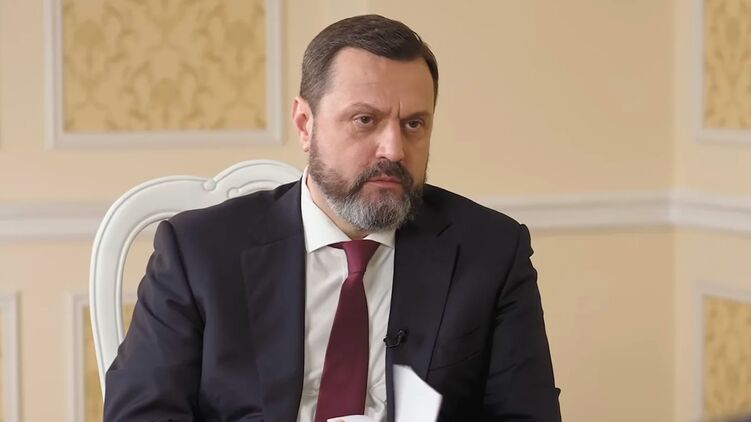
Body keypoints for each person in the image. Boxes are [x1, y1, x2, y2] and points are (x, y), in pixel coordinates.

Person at [104, 14, 561, 422]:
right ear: (305, 125)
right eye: (365, 120)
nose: (393, 150)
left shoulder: (491, 252)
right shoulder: (198, 251)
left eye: (413, 124)